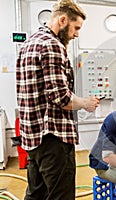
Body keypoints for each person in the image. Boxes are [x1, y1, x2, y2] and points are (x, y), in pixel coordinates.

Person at [16, 0, 99, 199]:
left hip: (32, 137)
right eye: (76, 27)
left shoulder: (29, 42)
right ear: (62, 20)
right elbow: (60, 97)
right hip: (53, 138)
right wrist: (85, 103)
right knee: (60, 195)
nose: (77, 33)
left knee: (36, 194)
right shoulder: (52, 45)